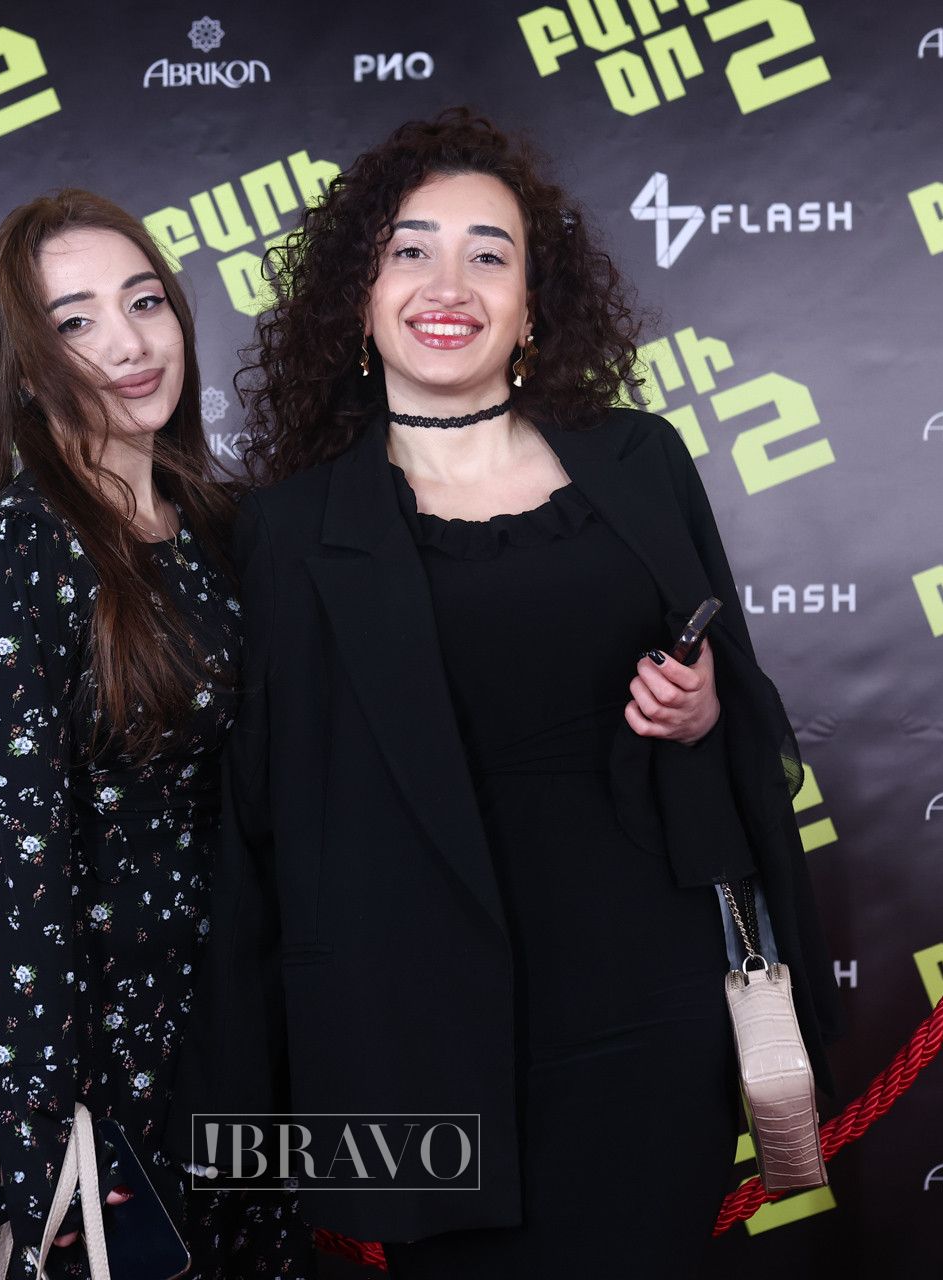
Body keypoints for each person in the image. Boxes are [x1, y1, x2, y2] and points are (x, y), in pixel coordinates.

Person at [178, 111, 843, 1276]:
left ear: (533, 305)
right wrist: (253, 1101)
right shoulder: (286, 531)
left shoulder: (640, 461)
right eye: (411, 249)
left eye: (489, 254)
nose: (450, 284)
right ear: (359, 296)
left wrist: (699, 708)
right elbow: (263, 819)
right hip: (419, 1031)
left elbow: (733, 700)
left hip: (647, 994)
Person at [0, 189, 313, 1280]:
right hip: (74, 1031)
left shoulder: (223, 529)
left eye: (145, 302)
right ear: (26, 366)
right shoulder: (15, 552)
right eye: (76, 321)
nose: (130, 344)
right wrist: (45, 1113)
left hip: (221, 1009)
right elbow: (18, 857)